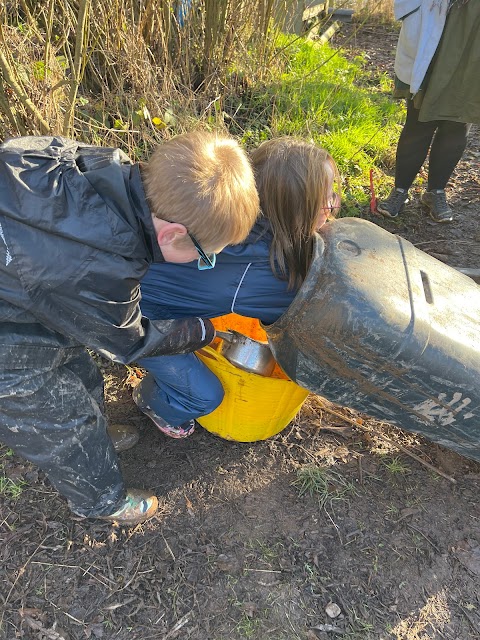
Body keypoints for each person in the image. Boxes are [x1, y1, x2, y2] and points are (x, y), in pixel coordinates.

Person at [0, 131, 259, 525]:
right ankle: (101, 502)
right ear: (173, 234)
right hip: (9, 342)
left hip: (27, 293)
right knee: (60, 422)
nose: (200, 265)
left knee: (79, 370)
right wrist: (201, 332)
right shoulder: (102, 265)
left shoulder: (94, 165)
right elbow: (131, 341)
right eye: (204, 258)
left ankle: (97, 434)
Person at [132, 137, 341, 438]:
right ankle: (156, 401)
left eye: (334, 192)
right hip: (134, 322)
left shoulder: (228, 215)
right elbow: (304, 323)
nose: (333, 204)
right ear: (294, 208)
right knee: (205, 396)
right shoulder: (266, 272)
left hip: (144, 295)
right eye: (326, 198)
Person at [376, 0, 479, 222]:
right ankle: (400, 190)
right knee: (419, 118)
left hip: (475, 35)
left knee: (457, 121)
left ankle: (436, 192)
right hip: (440, 23)